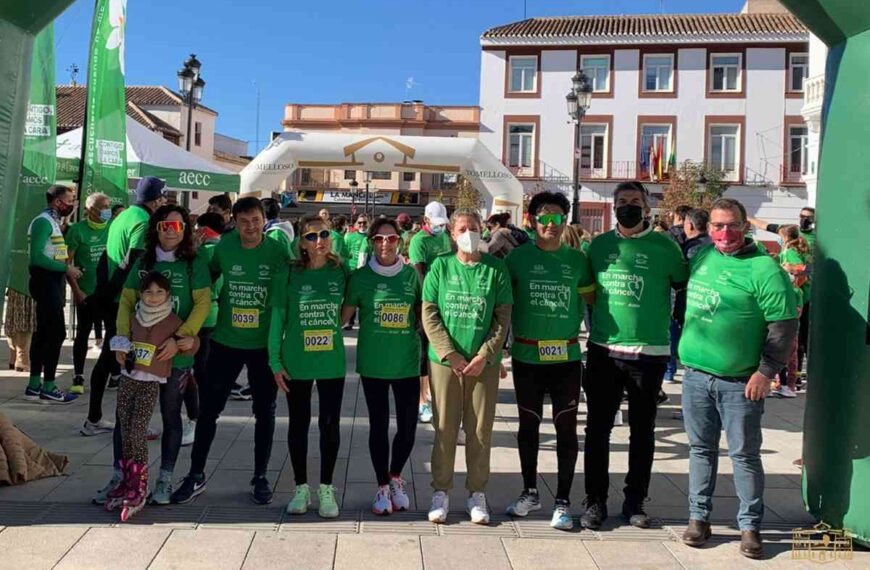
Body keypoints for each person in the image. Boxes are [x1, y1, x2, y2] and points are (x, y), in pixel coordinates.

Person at [678, 198, 798, 559]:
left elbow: (784, 327)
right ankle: (699, 518)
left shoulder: (766, 270)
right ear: (708, 228)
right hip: (696, 377)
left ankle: (750, 526)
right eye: (717, 226)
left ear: (745, 226)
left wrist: (766, 372)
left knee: (744, 455)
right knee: (700, 451)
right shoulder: (702, 257)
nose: (725, 233)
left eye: (732, 225)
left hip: (740, 383)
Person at [581, 181, 689, 530]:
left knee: (642, 432)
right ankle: (595, 500)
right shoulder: (599, 246)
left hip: (650, 353)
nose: (628, 206)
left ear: (647, 207)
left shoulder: (665, 246)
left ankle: (635, 501)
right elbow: (589, 293)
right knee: (598, 430)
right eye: (623, 201)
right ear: (614, 207)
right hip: (604, 350)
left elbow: (684, 286)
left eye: (635, 201)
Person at [172, 197, 291, 506]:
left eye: (255, 220)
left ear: (264, 220)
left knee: (265, 412)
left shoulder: (278, 250)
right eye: (243, 221)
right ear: (234, 223)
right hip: (225, 342)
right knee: (209, 410)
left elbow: (291, 287)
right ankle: (195, 474)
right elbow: (204, 274)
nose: (250, 227)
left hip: (263, 345)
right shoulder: (224, 247)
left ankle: (261, 476)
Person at [101, 205, 212, 505]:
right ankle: (120, 477)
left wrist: (182, 338)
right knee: (126, 418)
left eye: (177, 227)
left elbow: (203, 303)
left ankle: (164, 479)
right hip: (141, 357)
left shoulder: (194, 263)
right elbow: (126, 301)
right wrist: (123, 339)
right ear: (155, 229)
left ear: (185, 231)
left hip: (176, 356)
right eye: (164, 225)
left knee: (170, 415)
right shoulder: (143, 261)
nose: (170, 231)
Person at [504, 192, 595, 530]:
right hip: (527, 355)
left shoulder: (578, 260)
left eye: (557, 218)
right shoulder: (517, 259)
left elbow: (593, 301)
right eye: (543, 217)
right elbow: (502, 304)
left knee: (566, 428)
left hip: (566, 357)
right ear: (531, 220)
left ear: (564, 222)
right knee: (528, 426)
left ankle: (562, 501)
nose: (550, 224)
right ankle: (530, 491)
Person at [422, 209, 512, 525]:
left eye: (474, 228)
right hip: (446, 363)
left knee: (479, 431)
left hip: (482, 364)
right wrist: (449, 353)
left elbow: (502, 319)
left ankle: (477, 492)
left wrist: (486, 355)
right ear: (451, 232)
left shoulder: (496, 270)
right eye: (462, 228)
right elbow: (429, 313)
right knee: (445, 429)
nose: (468, 233)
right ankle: (441, 491)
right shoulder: (440, 267)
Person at [104, 271, 200, 521]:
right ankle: (127, 479)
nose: (154, 297)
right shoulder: (135, 317)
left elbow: (193, 341)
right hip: (129, 378)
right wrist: (119, 349)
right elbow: (122, 340)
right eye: (148, 292)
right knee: (125, 428)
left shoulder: (173, 321)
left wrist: (184, 343)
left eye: (159, 292)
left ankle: (140, 484)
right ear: (141, 294)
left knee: (137, 430)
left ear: (168, 295)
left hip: (151, 383)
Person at [270, 215, 347, 518]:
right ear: (301, 242)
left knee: (330, 424)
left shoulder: (341, 271)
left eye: (324, 234)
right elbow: (277, 318)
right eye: (311, 236)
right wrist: (274, 361)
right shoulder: (288, 273)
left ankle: (326, 488)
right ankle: (300, 487)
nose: (319, 241)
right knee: (299, 423)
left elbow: (350, 307)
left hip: (331, 361)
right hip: (296, 361)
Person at [342, 218, 420, 515]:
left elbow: (424, 317)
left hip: (407, 363)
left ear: (399, 241)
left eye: (390, 238)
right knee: (379, 425)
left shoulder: (412, 276)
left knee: (408, 429)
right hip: (374, 363)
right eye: (378, 238)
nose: (384, 244)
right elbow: (340, 318)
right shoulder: (360, 278)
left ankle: (396, 476)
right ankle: (381, 487)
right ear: (371, 242)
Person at [86, 177, 166, 435]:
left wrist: (101, 292)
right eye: (163, 197)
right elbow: (131, 263)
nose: (163, 202)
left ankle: (96, 418)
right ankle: (127, 425)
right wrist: (113, 295)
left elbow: (104, 260)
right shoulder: (143, 222)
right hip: (124, 302)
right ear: (155, 200)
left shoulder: (121, 217)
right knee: (128, 362)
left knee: (111, 358)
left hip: (112, 298)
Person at [24, 184, 81, 403]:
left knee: (44, 333)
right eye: (69, 200)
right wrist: (66, 268)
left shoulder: (54, 222)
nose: (72, 204)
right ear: (57, 202)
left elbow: (52, 250)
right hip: (45, 280)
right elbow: (36, 258)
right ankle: (48, 385)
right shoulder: (42, 221)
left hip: (52, 281)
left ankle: (34, 385)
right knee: (56, 334)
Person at [747, 207, 815, 372]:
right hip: (796, 295)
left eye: (808, 217)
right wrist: (749, 218)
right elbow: (767, 225)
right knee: (795, 340)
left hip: (805, 295)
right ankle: (794, 377)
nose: (803, 220)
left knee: (800, 339)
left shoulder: (816, 239)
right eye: (801, 216)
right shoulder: (793, 232)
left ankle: (795, 377)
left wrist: (796, 271)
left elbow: (811, 268)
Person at [409, 201, 453, 424]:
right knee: (424, 356)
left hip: (447, 302)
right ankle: (422, 402)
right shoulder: (419, 241)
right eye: (436, 224)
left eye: (443, 224)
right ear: (425, 220)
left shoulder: (445, 236)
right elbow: (419, 275)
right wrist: (431, 302)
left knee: (440, 350)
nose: (440, 227)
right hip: (426, 302)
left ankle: (438, 396)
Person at [66, 192, 111, 396]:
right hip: (87, 292)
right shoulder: (77, 230)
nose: (107, 210)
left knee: (113, 334)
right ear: (91, 210)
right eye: (104, 207)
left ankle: (115, 374)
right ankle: (78, 375)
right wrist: (76, 290)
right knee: (83, 334)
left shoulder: (113, 227)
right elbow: (65, 262)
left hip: (109, 292)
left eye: (108, 206)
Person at [188, 213, 226, 446]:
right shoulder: (223, 249)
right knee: (205, 370)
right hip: (214, 316)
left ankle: (198, 418)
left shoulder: (203, 251)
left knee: (196, 371)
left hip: (199, 318)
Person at [665, 208, 712, 385]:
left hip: (692, 308)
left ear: (689, 225)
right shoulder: (711, 244)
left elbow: (686, 280)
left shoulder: (693, 249)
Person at [771, 224, 809, 398]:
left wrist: (791, 281)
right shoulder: (790, 250)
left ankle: (788, 384)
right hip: (792, 298)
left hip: (792, 300)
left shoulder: (790, 252)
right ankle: (785, 382)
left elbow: (802, 273)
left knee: (788, 344)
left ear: (784, 236)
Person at [4, 288, 35, 372]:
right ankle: (21, 359)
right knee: (24, 320)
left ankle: (14, 357)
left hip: (15, 284)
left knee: (13, 319)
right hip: (28, 285)